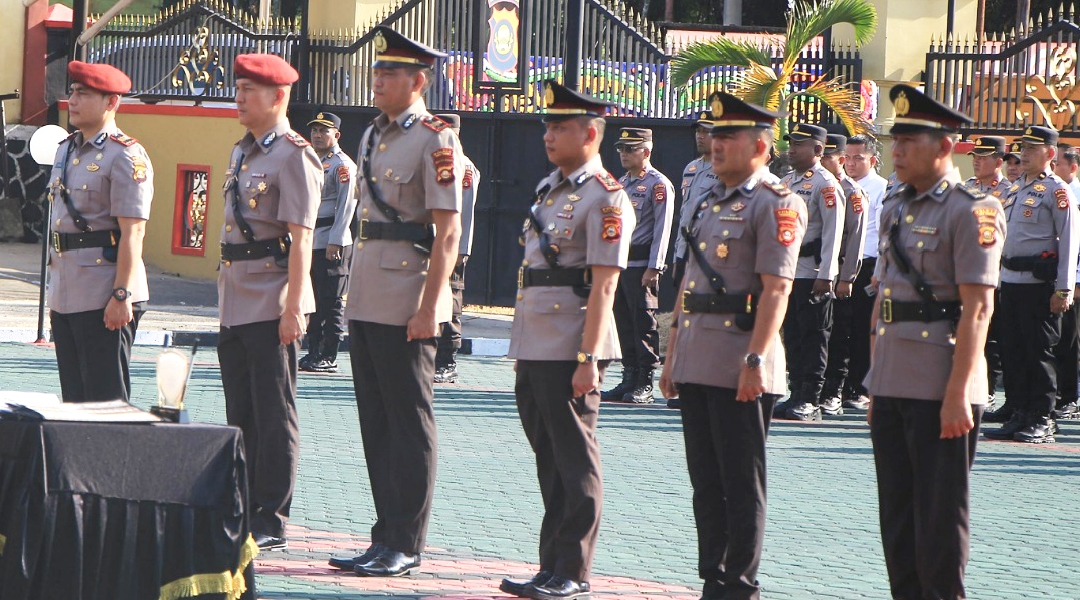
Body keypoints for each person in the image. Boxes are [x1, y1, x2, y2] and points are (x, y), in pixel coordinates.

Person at [327, 26, 462, 577]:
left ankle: (406, 541)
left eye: (389, 73)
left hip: (409, 296)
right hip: (367, 294)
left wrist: (431, 306)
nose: (377, 80)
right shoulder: (370, 135)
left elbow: (447, 233)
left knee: (408, 422)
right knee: (376, 422)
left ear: (417, 82)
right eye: (377, 70)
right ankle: (383, 536)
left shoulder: (436, 140)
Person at [659, 92, 804, 600]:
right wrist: (672, 353)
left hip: (742, 357)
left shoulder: (777, 202)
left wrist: (756, 359)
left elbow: (777, 289)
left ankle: (740, 585)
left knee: (741, 481)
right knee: (705, 481)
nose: (716, 145)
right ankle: (713, 579)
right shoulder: (708, 199)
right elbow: (689, 284)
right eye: (714, 136)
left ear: (760, 146)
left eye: (728, 137)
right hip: (698, 356)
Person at [866, 83, 1006, 600]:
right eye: (895, 141)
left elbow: (978, 309)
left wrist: (958, 392)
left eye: (908, 142)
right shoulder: (895, 206)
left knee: (938, 520)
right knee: (898, 519)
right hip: (893, 380)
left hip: (941, 383)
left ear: (945, 146)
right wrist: (874, 383)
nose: (896, 152)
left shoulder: (972, 210)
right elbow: (884, 300)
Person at [499, 81, 633, 600]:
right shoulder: (548, 188)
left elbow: (604, 285)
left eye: (560, 127)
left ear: (591, 134)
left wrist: (588, 357)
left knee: (575, 461)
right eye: (548, 126)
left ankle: (573, 570)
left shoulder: (606, 196)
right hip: (537, 341)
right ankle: (550, 565)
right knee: (549, 460)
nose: (548, 135)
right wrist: (522, 347)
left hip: (572, 343)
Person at [217, 53, 321, 551]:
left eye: (249, 91)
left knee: (273, 412)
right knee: (241, 409)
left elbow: (302, 238)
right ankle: (242, 503)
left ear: (278, 97)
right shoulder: (243, 151)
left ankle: (271, 515)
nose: (238, 98)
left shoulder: (294, 155)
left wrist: (295, 305)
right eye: (238, 88)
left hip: (272, 296)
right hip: (236, 296)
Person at [46, 61, 153, 403]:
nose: (73, 100)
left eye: (84, 93)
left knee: (106, 403)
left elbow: (133, 232)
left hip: (105, 294)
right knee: (74, 403)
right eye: (72, 92)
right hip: (67, 293)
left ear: (111, 102)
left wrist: (121, 295)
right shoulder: (65, 149)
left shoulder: (125, 156)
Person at [985, 126, 1079, 444]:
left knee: (1040, 353)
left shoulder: (1057, 191)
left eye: (1031, 149)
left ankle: (1043, 418)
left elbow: (1070, 241)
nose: (1023, 154)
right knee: (1014, 350)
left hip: (1039, 285)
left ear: (1050, 153)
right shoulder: (1015, 189)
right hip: (1010, 281)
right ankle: (1020, 412)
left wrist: (1064, 288)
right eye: (1022, 148)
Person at [774, 123, 844, 421]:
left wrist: (826, 275)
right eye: (790, 144)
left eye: (798, 145)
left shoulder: (825, 185)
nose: (791, 149)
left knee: (814, 337)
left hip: (812, 272)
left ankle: (810, 399)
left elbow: (833, 233)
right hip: (788, 272)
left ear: (817, 149)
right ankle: (795, 393)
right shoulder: (786, 181)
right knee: (792, 335)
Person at [600, 127, 674, 404]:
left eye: (631, 149)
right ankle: (629, 377)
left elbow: (663, 229)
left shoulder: (658, 184)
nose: (624, 154)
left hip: (643, 265)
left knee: (644, 323)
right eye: (621, 148)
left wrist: (655, 266)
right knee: (623, 321)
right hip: (621, 263)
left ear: (647, 151)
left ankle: (645, 382)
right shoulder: (621, 183)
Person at [668, 104, 721, 410]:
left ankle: (700, 381)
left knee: (704, 323)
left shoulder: (724, 170)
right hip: (687, 255)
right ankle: (683, 380)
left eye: (707, 131)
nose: (701, 136)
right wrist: (678, 254)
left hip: (711, 261)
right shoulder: (691, 168)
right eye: (699, 131)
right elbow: (684, 217)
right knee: (684, 322)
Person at [299, 111, 357, 373]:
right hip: (311, 240)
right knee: (312, 299)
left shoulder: (342, 165)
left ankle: (328, 354)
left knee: (330, 300)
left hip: (331, 241)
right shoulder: (311, 160)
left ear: (337, 135)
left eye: (324, 130)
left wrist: (336, 240)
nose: (318, 135)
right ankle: (313, 351)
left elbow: (346, 206)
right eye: (314, 130)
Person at [820, 134, 866, 414]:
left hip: (838, 272)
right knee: (816, 334)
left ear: (841, 159)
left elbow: (856, 239)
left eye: (828, 156)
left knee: (839, 336)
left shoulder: (852, 191)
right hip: (814, 269)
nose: (822, 161)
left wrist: (847, 278)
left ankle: (834, 391)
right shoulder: (815, 184)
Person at [964, 136, 1012, 410]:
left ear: (998, 161)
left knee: (992, 337)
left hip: (995, 273)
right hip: (967, 271)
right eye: (975, 156)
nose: (977, 161)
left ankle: (990, 390)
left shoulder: (1009, 191)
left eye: (983, 157)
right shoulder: (965, 188)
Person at [433, 113, 480, 384]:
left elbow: (467, 214)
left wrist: (462, 249)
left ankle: (447, 362)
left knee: (450, 303)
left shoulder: (464, 167)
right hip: (427, 244)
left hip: (451, 245)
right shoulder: (432, 161)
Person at [842, 134, 886, 410]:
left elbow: (881, 232)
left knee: (861, 329)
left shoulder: (880, 187)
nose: (851, 163)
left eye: (858, 158)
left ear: (873, 160)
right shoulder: (840, 185)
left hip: (867, 264)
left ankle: (859, 388)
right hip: (841, 265)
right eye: (847, 157)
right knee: (840, 329)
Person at [1052, 143, 1080, 420]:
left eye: (1057, 163)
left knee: (1072, 342)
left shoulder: (1076, 196)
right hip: (1055, 278)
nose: (1053, 167)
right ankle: (1059, 394)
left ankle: (1070, 397)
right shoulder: (1052, 192)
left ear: (1072, 167)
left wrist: (1076, 281)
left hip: (1074, 281)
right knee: (1057, 340)